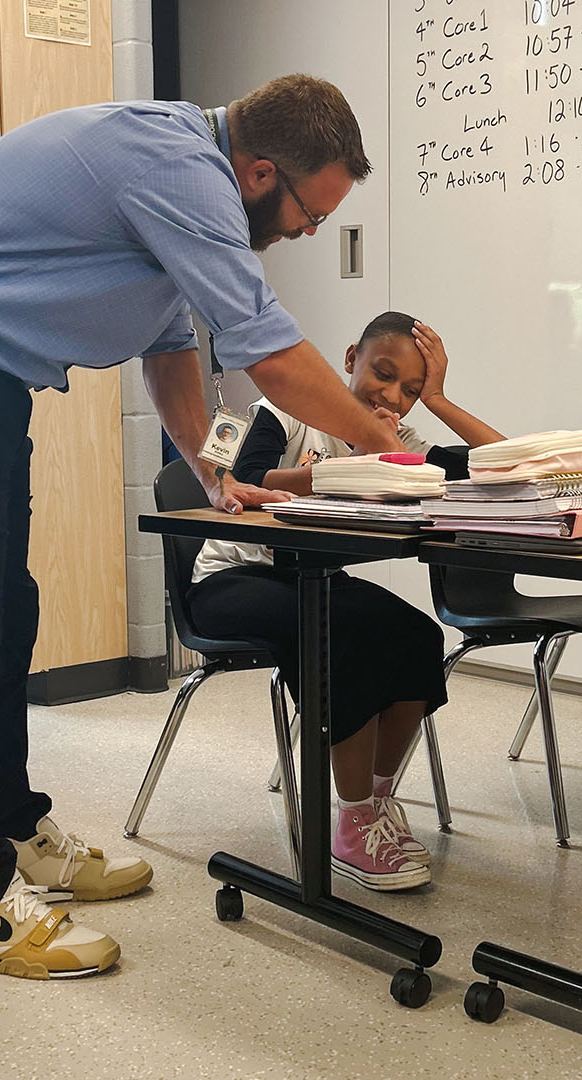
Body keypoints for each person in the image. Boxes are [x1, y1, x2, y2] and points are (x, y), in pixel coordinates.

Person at [0, 74, 407, 980]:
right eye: (307, 213)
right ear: (261, 172)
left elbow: (173, 346)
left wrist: (211, 470)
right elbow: (270, 351)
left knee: (6, 612)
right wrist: (389, 447)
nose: (304, 233)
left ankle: (15, 829)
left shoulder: (182, 175)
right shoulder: (180, 170)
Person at [187, 313, 502, 890]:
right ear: (351, 357)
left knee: (418, 636)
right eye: (384, 375)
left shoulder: (398, 438)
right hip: (231, 580)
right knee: (343, 631)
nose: (393, 399)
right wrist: (354, 461)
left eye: (409, 390)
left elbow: (504, 468)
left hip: (312, 578)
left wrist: (438, 400)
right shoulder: (277, 412)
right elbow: (249, 479)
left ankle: (376, 805)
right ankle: (351, 821)